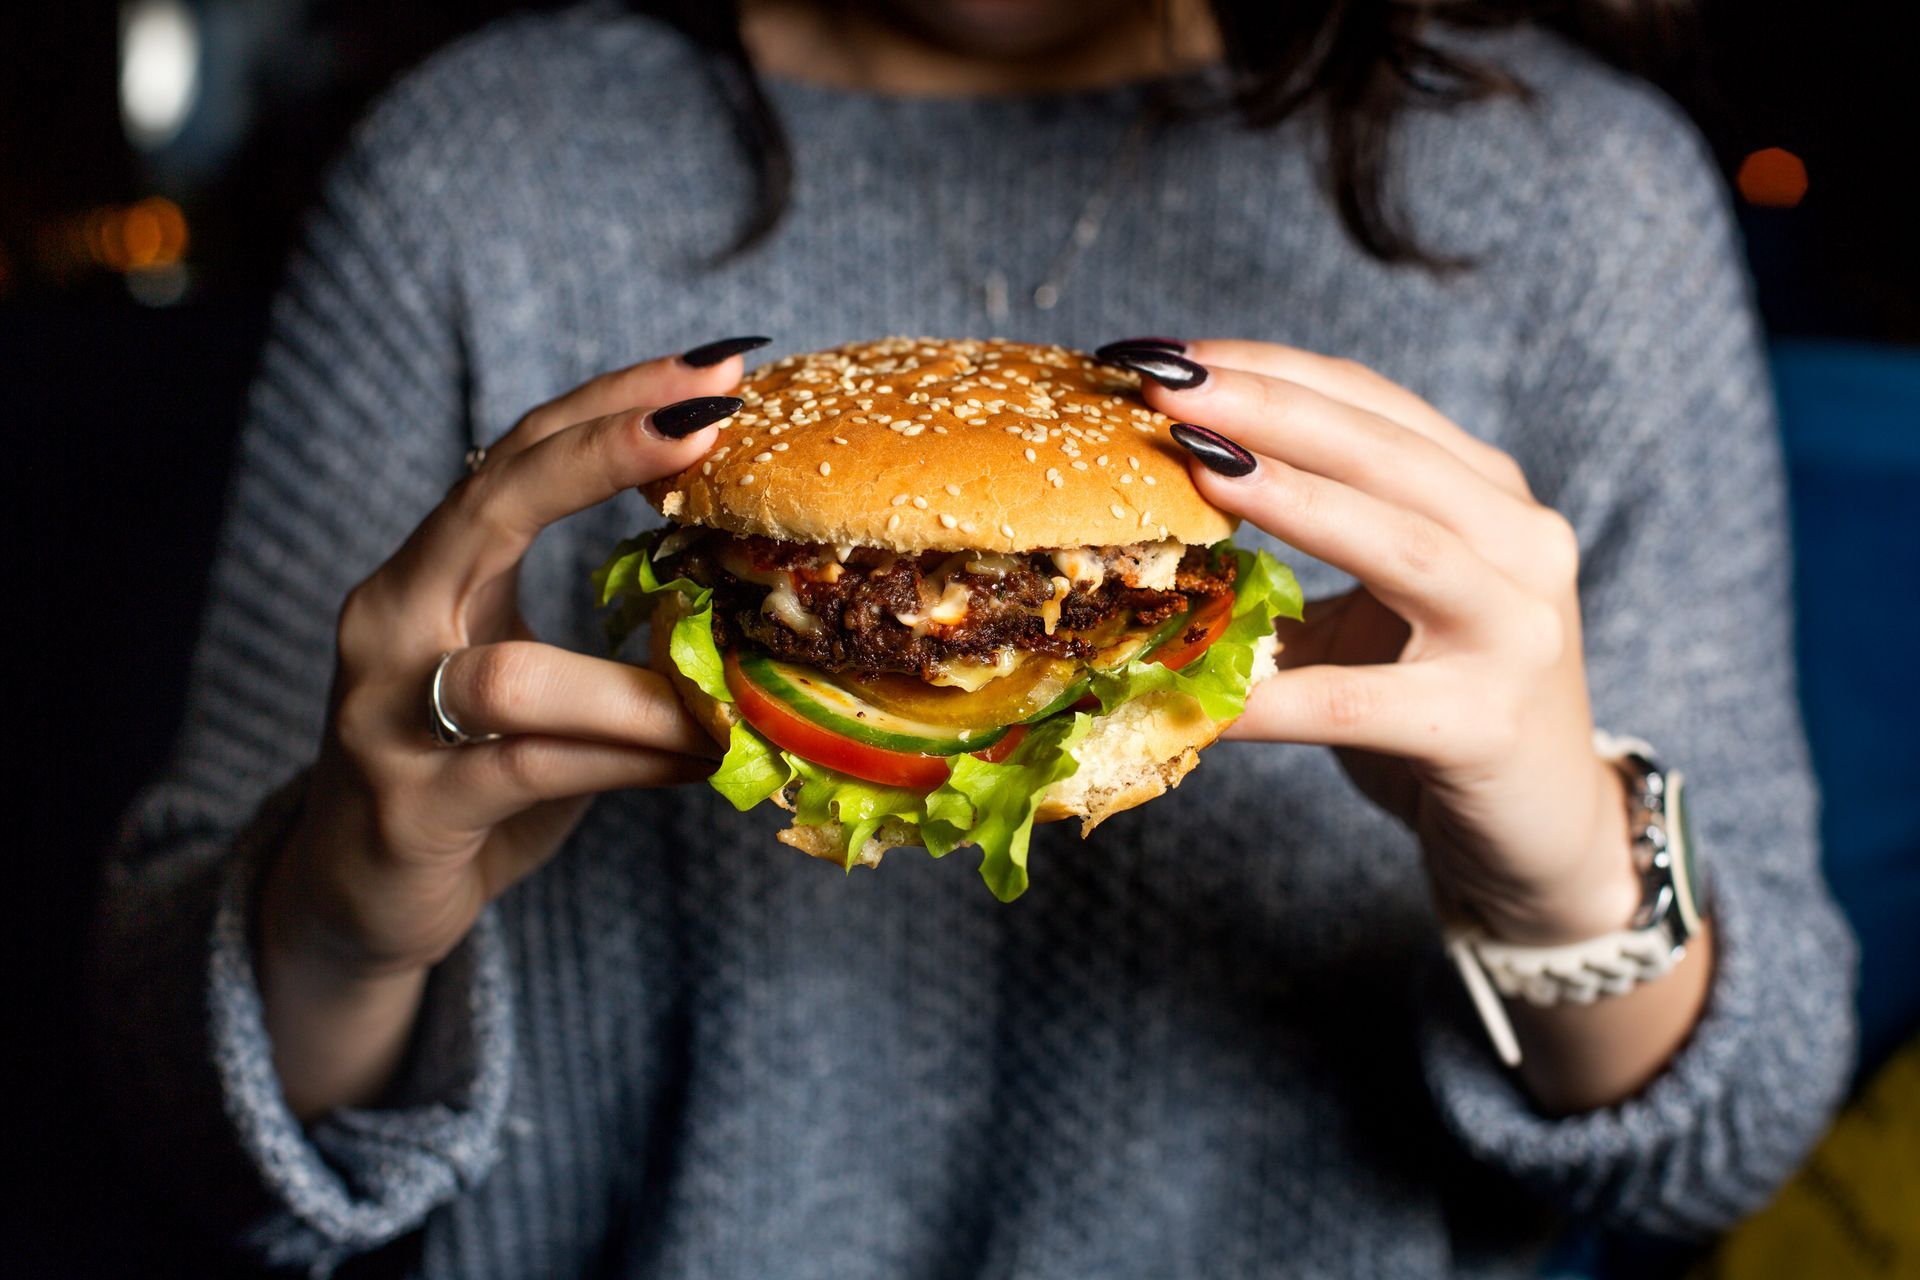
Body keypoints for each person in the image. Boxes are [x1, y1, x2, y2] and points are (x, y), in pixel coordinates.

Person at [93, 0, 1857, 1274]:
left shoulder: (1572, 199)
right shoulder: (476, 166)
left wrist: (1561, 881)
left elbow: (1727, 1145)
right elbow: (174, 1140)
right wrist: (339, 909)